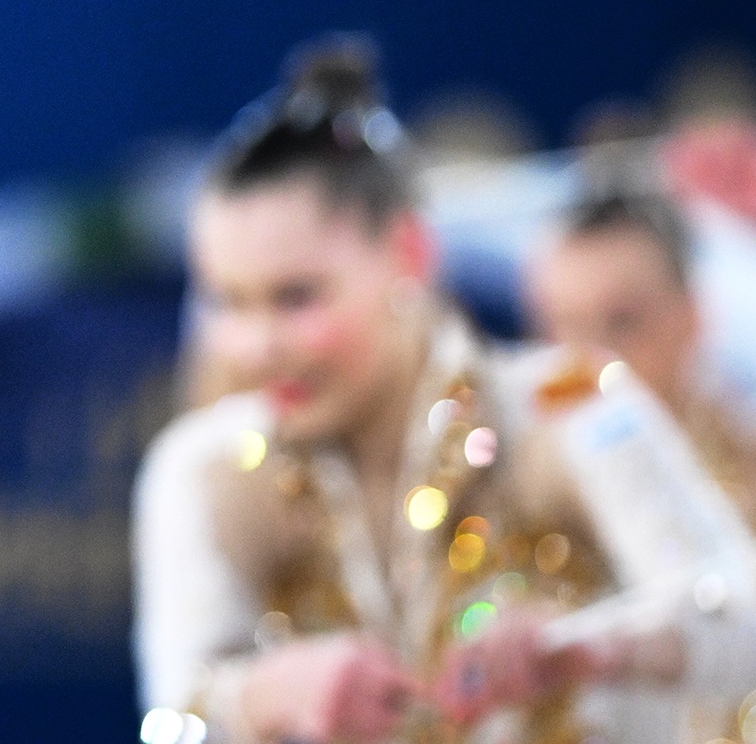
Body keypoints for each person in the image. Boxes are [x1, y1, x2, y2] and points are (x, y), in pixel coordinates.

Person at [132, 41, 756, 744]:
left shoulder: (565, 400)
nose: (257, 346)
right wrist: (261, 695)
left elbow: (741, 618)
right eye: (227, 300)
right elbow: (171, 720)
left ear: (409, 252)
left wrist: (582, 646)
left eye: (296, 296)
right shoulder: (203, 467)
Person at [526, 180, 756, 528]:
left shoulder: (743, 460)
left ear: (691, 317)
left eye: (622, 323)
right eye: (567, 326)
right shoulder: (526, 483)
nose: (592, 358)